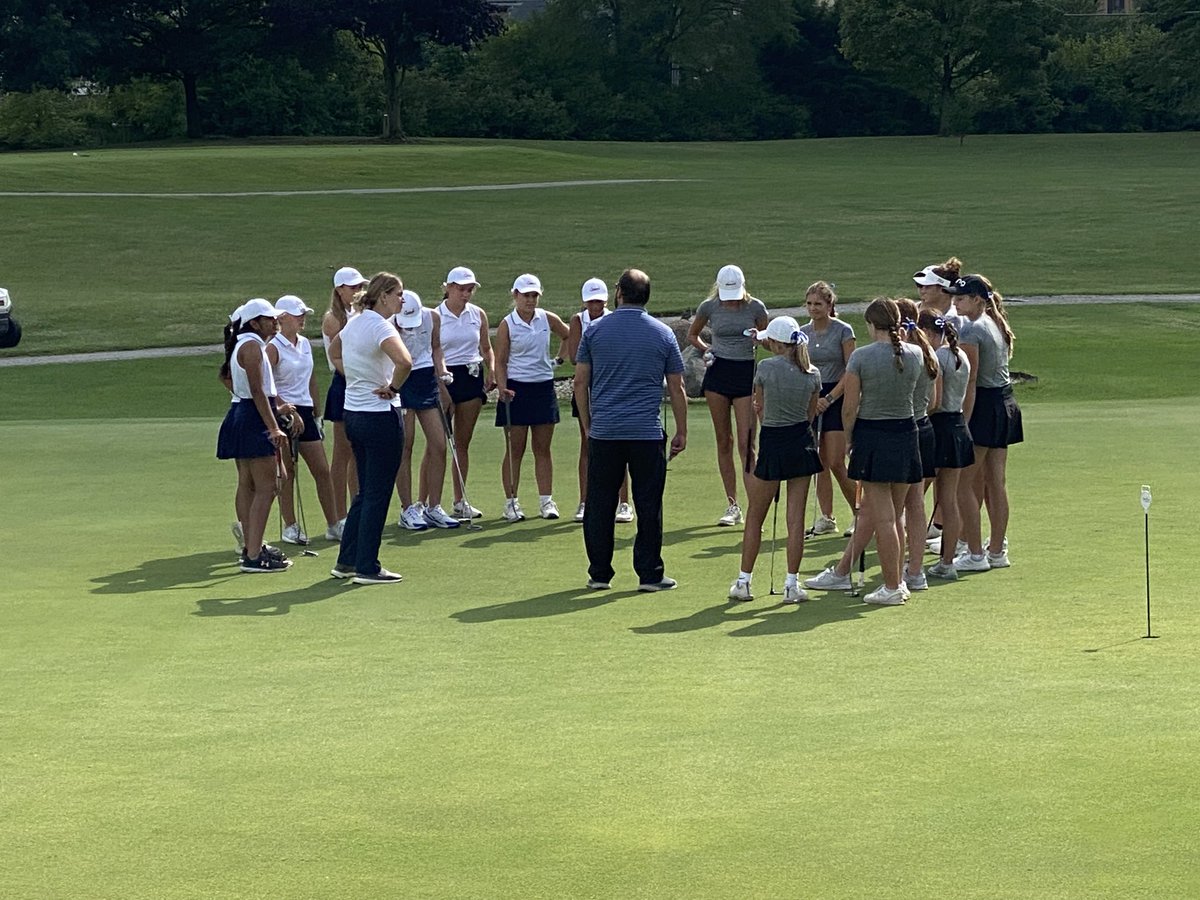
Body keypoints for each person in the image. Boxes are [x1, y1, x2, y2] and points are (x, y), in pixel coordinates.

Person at [574, 268, 687, 592]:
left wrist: (587, 424)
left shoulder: (595, 331)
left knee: (600, 503)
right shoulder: (662, 333)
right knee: (649, 503)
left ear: (619, 293)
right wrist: (681, 430)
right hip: (646, 433)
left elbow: (581, 382)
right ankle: (649, 574)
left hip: (606, 431)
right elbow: (676, 388)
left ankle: (599, 572)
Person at [806, 298, 924, 606]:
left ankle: (891, 586)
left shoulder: (862, 357)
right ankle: (896, 581)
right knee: (894, 515)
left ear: (872, 325)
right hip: (906, 434)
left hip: (874, 435)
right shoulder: (915, 354)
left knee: (884, 518)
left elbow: (849, 407)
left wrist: (847, 439)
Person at [728, 317, 822, 604]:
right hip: (801, 442)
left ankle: (744, 581)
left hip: (773, 441)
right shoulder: (812, 372)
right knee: (796, 520)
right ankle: (792, 584)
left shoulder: (766, 368)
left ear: (778, 343)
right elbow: (809, 414)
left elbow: (761, 409)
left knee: (756, 515)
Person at [328, 273, 413, 585]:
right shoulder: (379, 325)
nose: (402, 300)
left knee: (365, 492)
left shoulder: (356, 322)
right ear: (385, 296)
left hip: (354, 414)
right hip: (380, 415)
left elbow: (334, 352)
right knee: (378, 493)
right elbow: (405, 362)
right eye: (399, 294)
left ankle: (347, 560)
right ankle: (367, 566)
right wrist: (392, 387)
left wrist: (356, 378)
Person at [948, 274, 1022, 572]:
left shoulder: (972, 330)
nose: (956, 302)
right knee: (995, 481)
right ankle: (996, 549)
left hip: (986, 407)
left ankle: (976, 553)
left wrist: (963, 420)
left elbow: (970, 380)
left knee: (965, 483)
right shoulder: (994, 322)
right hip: (1005, 403)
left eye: (961, 298)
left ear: (978, 300)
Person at [687, 264, 769, 527]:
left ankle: (756, 504)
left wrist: (760, 338)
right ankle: (733, 504)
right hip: (718, 372)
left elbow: (769, 340)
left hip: (746, 372)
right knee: (724, 440)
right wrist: (706, 349)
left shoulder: (756, 307)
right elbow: (693, 334)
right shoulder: (709, 307)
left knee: (747, 444)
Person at [216, 298, 293, 573]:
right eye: (269, 318)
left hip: (245, 415)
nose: (275, 322)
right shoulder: (251, 346)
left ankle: (253, 546)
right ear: (254, 322)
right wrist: (274, 426)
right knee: (267, 486)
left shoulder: (246, 343)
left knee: (249, 484)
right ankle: (252, 554)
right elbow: (258, 391)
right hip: (252, 417)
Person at [493, 273, 570, 522]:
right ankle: (511, 503)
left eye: (534, 295)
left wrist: (557, 361)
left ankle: (546, 501)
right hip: (516, 389)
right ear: (515, 296)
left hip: (543, 387)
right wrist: (502, 388)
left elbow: (569, 335)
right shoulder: (507, 324)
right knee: (515, 449)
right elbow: (501, 361)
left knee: (542, 449)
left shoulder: (547, 318)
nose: (530, 300)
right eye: (526, 295)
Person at [266, 294, 341, 544]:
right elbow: (265, 385)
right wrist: (282, 409)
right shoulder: (273, 347)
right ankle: (291, 526)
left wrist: (316, 413)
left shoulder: (305, 343)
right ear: (283, 318)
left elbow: (310, 380)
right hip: (283, 414)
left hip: (305, 412)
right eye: (299, 315)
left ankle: (333, 524)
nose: (303, 320)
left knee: (322, 469)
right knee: (288, 472)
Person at [565, 277, 633, 524]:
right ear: (585, 301)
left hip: (610, 387)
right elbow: (574, 357)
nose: (595, 306)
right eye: (591, 301)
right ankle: (585, 501)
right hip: (586, 389)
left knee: (619, 444)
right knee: (587, 443)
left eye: (599, 301)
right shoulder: (577, 321)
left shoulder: (614, 319)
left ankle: (624, 503)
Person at [391, 289, 459, 531]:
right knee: (405, 445)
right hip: (399, 380)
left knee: (439, 444)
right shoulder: (388, 324)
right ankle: (407, 508)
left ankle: (433, 507)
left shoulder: (432, 318)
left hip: (425, 378)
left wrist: (442, 375)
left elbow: (436, 348)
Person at [918, 309, 974, 581]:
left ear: (928, 333)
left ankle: (914, 561)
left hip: (939, 428)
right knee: (948, 498)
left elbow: (934, 401)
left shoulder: (936, 357)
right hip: (958, 426)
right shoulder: (960, 354)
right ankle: (947, 561)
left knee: (917, 496)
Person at [799, 280, 858, 536]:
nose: (814, 308)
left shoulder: (844, 331)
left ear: (830, 304)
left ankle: (860, 512)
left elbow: (851, 369)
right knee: (819, 462)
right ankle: (827, 517)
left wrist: (830, 398)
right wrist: (814, 398)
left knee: (835, 461)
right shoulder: (802, 332)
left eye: (819, 304)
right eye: (810, 304)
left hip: (837, 396)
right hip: (812, 395)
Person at [437, 266, 495, 519]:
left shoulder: (477, 314)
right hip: (444, 378)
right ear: (448, 288)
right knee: (437, 444)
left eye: (470, 289)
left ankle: (459, 501)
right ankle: (430, 503)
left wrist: (491, 368)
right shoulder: (435, 316)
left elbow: (486, 347)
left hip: (471, 376)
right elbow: (433, 351)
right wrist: (441, 383)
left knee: (462, 442)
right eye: (461, 288)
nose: (466, 293)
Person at [896, 297, 941, 593]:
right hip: (925, 428)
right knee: (916, 504)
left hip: (902, 431)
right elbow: (934, 402)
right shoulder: (928, 356)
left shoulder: (903, 357)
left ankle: (897, 572)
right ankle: (915, 572)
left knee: (894, 506)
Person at [322, 266, 368, 538]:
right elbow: (342, 356)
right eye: (352, 287)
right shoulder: (333, 319)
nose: (357, 291)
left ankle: (354, 511)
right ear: (339, 290)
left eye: (360, 286)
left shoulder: (360, 314)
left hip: (360, 382)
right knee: (342, 453)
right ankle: (337, 519)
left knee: (357, 452)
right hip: (344, 383)